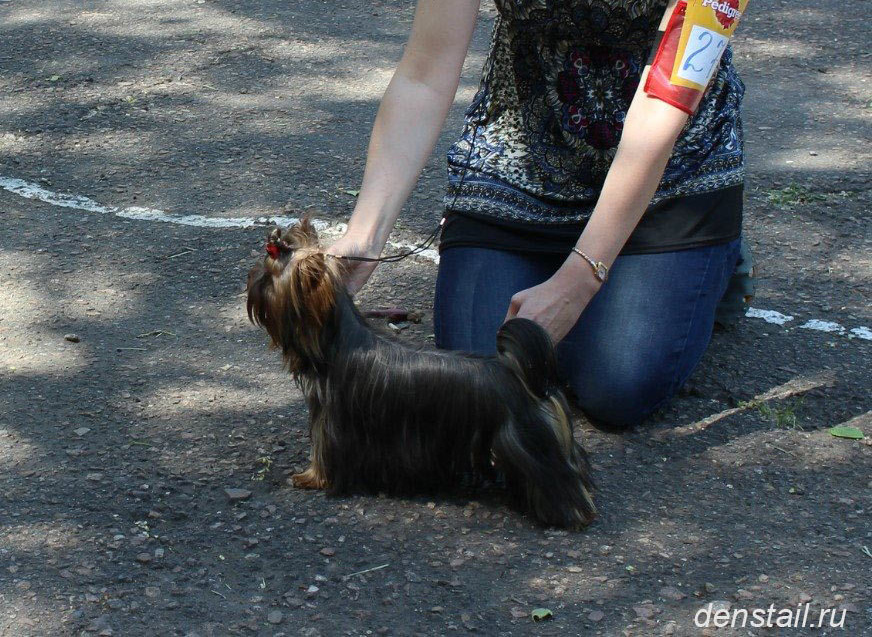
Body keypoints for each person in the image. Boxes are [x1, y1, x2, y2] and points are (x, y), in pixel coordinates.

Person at [327, 0, 750, 428]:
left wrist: (578, 280)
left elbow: (663, 103)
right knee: (481, 380)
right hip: (518, 158)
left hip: (672, 174)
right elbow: (425, 73)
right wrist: (367, 232)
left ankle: (709, 265)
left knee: (613, 386)